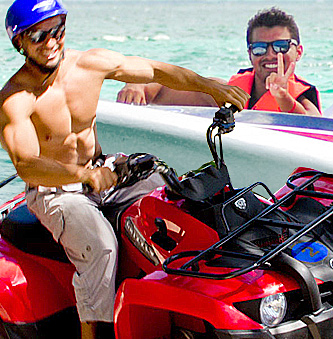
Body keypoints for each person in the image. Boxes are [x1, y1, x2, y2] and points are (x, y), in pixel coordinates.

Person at [0, 0, 248, 338]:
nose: (51, 42)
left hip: (104, 172)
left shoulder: (89, 64)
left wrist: (211, 87)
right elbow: (28, 165)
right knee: (101, 247)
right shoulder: (15, 98)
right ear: (20, 44)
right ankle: (94, 333)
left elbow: (155, 71)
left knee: (174, 198)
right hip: (54, 190)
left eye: (57, 29)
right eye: (38, 36)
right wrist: (83, 176)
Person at [117, 7, 322, 116]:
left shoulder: (303, 99)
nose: (270, 55)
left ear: (298, 52)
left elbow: (315, 129)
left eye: (280, 46)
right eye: (260, 48)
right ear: (250, 54)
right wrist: (136, 84)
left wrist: (283, 98)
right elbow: (161, 90)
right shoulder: (227, 92)